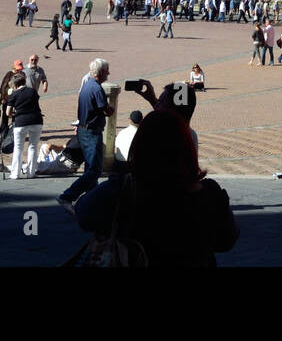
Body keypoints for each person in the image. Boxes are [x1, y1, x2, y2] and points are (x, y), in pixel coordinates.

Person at [74, 109, 239, 266]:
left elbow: (83, 214)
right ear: (187, 148)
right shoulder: (210, 194)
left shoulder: (122, 189)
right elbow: (226, 241)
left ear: (139, 147)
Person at [57, 58, 114, 212]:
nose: (108, 73)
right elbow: (106, 110)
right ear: (101, 72)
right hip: (91, 131)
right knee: (94, 169)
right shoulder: (96, 88)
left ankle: (91, 200)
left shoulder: (87, 85)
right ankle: (67, 196)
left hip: (84, 129)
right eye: (107, 70)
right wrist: (111, 110)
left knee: (91, 167)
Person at [5, 73, 43, 179]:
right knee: (33, 146)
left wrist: (14, 114)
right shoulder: (33, 91)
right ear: (24, 82)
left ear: (15, 85)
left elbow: (8, 112)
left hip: (21, 122)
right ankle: (31, 173)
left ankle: (15, 174)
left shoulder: (14, 94)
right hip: (36, 120)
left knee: (18, 147)